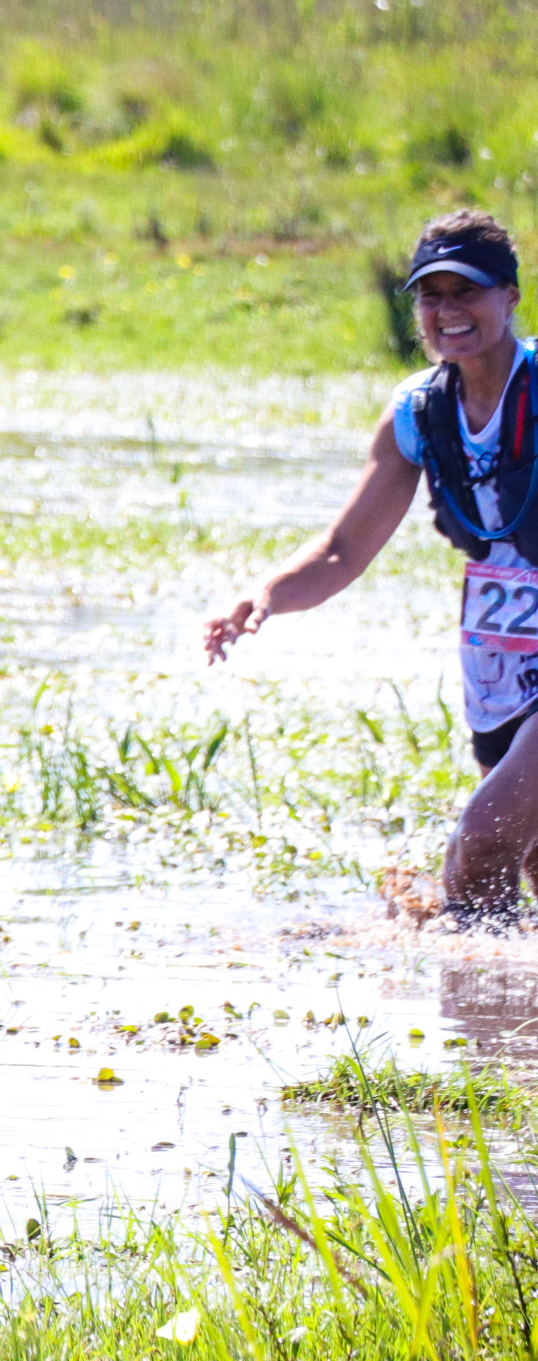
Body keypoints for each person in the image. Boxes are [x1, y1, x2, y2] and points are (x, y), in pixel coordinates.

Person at [206, 209, 538, 925]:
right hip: (497, 656)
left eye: (467, 292)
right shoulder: (418, 411)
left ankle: (473, 1018)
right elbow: (342, 550)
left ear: (511, 296)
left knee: (482, 842)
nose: (448, 312)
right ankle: (505, 1022)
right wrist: (265, 595)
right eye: (431, 296)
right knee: (529, 862)